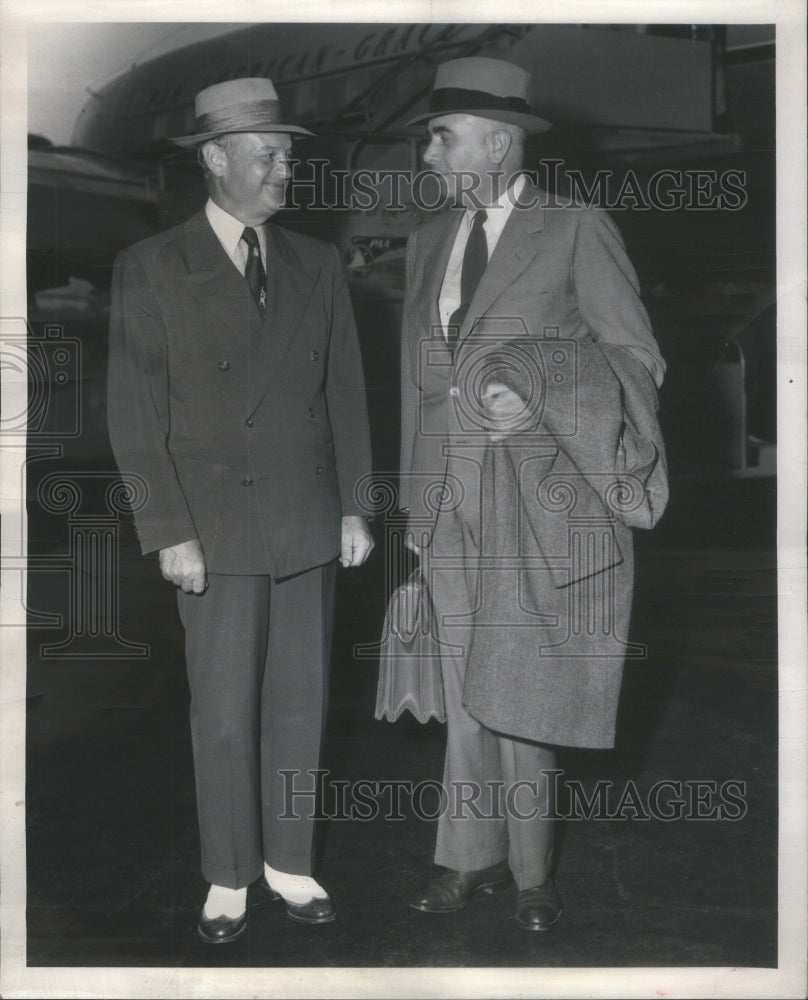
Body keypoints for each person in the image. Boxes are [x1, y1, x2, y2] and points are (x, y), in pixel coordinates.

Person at [398, 57, 668, 931]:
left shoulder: (576, 227)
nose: (428, 153)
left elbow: (636, 358)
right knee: (464, 686)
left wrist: (543, 388)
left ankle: (532, 870)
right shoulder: (427, 240)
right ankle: (464, 860)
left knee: (525, 690)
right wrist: (415, 498)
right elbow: (421, 383)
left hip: (533, 497)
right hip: (445, 496)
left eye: (442, 136)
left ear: (498, 140)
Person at [107, 78, 374, 944]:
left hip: (306, 519)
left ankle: (290, 863)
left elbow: (347, 397)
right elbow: (133, 417)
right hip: (211, 529)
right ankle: (227, 874)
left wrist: (355, 509)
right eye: (269, 153)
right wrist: (165, 529)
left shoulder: (318, 263)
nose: (285, 169)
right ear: (215, 159)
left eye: (289, 154)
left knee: (302, 701)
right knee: (222, 709)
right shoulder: (151, 267)